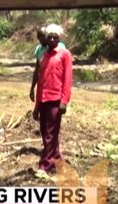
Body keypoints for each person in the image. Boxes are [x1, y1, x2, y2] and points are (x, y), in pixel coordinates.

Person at [32, 24, 73, 177]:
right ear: (46, 39)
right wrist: (36, 107)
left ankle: (45, 165)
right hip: (43, 99)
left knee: (50, 133)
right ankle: (56, 159)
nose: (52, 39)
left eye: (55, 37)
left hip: (56, 100)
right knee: (45, 132)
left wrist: (64, 101)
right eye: (50, 37)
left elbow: (67, 79)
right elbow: (41, 82)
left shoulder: (64, 54)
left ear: (59, 38)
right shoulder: (44, 57)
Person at [30, 25, 66, 102]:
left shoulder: (59, 48)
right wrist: (32, 88)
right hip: (43, 86)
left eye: (43, 36)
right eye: (39, 37)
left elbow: (66, 73)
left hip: (56, 88)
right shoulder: (39, 50)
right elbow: (37, 70)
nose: (41, 39)